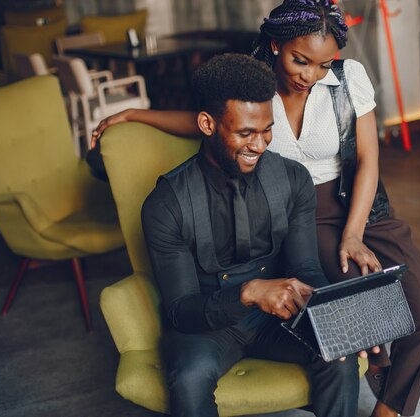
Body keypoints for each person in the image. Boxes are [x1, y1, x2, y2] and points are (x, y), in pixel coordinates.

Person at [95, 1, 420, 416]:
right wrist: (137, 114)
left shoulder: (336, 95)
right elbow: (207, 120)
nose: (310, 75)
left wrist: (350, 261)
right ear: (278, 45)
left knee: (412, 325)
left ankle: (388, 409)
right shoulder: (248, 93)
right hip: (261, 254)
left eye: (322, 64)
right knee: (196, 375)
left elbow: (365, 167)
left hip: (356, 206)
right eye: (301, 60)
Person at [141, 53, 361, 417]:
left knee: (339, 353)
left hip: (280, 316)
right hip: (207, 324)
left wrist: (335, 317)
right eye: (245, 133)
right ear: (207, 124)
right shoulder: (166, 204)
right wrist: (246, 294)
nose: (260, 145)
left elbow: (306, 266)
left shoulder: (293, 179)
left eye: (266, 130)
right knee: (190, 376)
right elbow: (181, 312)